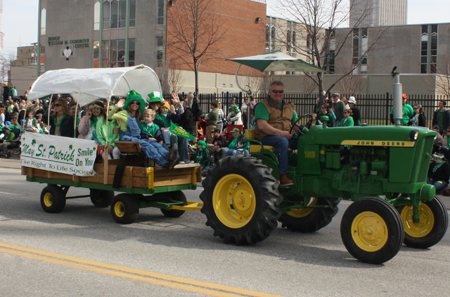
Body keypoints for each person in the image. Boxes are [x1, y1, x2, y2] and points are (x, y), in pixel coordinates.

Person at [108, 90, 179, 170]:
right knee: (147, 145)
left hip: (136, 138)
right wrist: (117, 106)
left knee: (153, 143)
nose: (135, 104)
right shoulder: (124, 113)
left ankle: (168, 156)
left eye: (137, 103)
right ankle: (164, 163)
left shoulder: (137, 115)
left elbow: (140, 127)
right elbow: (110, 117)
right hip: (127, 138)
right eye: (133, 102)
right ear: (129, 104)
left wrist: (146, 135)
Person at [254, 81, 299, 186]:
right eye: (275, 91)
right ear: (270, 92)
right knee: (282, 141)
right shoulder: (262, 106)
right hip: (266, 137)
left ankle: (303, 170)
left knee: (305, 140)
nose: (278, 94)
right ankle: (282, 175)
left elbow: (295, 124)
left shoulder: (288, 107)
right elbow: (262, 126)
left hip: (286, 136)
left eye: (280, 91)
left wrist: (307, 130)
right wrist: (280, 133)